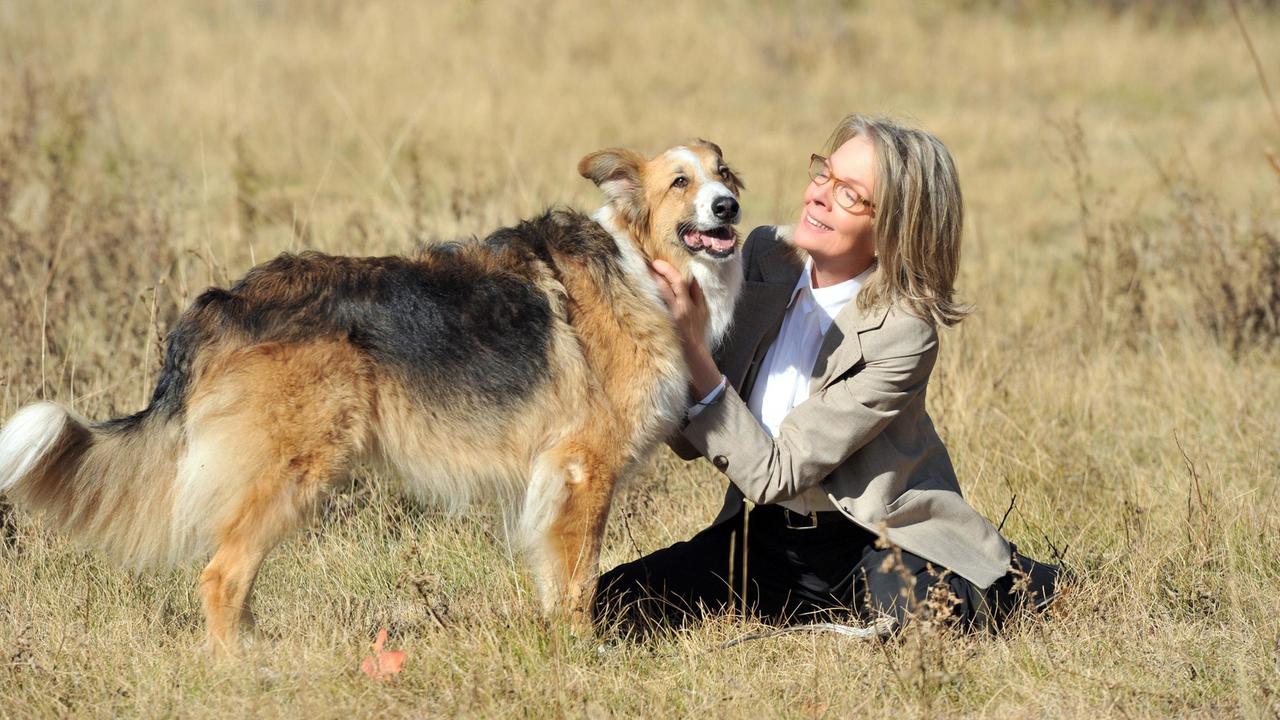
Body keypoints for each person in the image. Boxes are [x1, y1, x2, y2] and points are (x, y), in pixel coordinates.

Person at [594, 114, 1061, 635]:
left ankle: (1025, 583)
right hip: (768, 537)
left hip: (875, 541)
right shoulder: (763, 258)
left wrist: (687, 346)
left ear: (893, 231)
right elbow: (687, 438)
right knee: (612, 602)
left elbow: (776, 474)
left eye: (850, 195)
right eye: (824, 174)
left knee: (934, 623)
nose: (819, 196)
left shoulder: (903, 334)